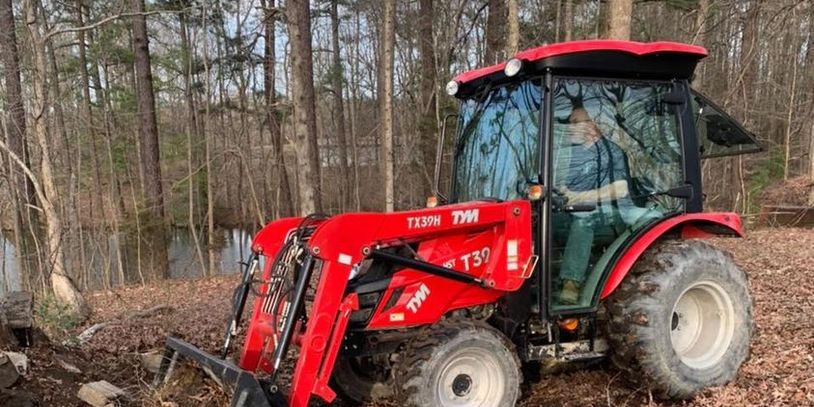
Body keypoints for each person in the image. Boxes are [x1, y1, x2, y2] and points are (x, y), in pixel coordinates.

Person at [556, 107, 632, 305]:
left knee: (583, 221)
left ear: (592, 125)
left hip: (613, 215)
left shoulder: (611, 152)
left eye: (575, 122)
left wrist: (579, 197)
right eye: (569, 122)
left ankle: (571, 284)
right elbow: (570, 190)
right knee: (542, 220)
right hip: (579, 211)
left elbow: (620, 189)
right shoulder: (577, 155)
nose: (569, 127)